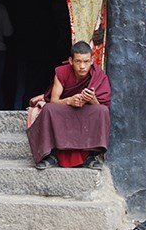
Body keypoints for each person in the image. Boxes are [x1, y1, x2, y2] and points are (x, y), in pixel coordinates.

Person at [27, 41, 111, 170]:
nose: (82, 66)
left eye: (86, 61)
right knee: (49, 109)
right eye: (78, 61)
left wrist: (92, 99)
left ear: (92, 60)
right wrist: (69, 101)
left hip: (86, 111)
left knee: (102, 111)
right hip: (66, 109)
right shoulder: (62, 72)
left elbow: (102, 104)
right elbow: (54, 100)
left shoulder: (98, 75)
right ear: (71, 61)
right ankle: (52, 155)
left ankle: (91, 155)